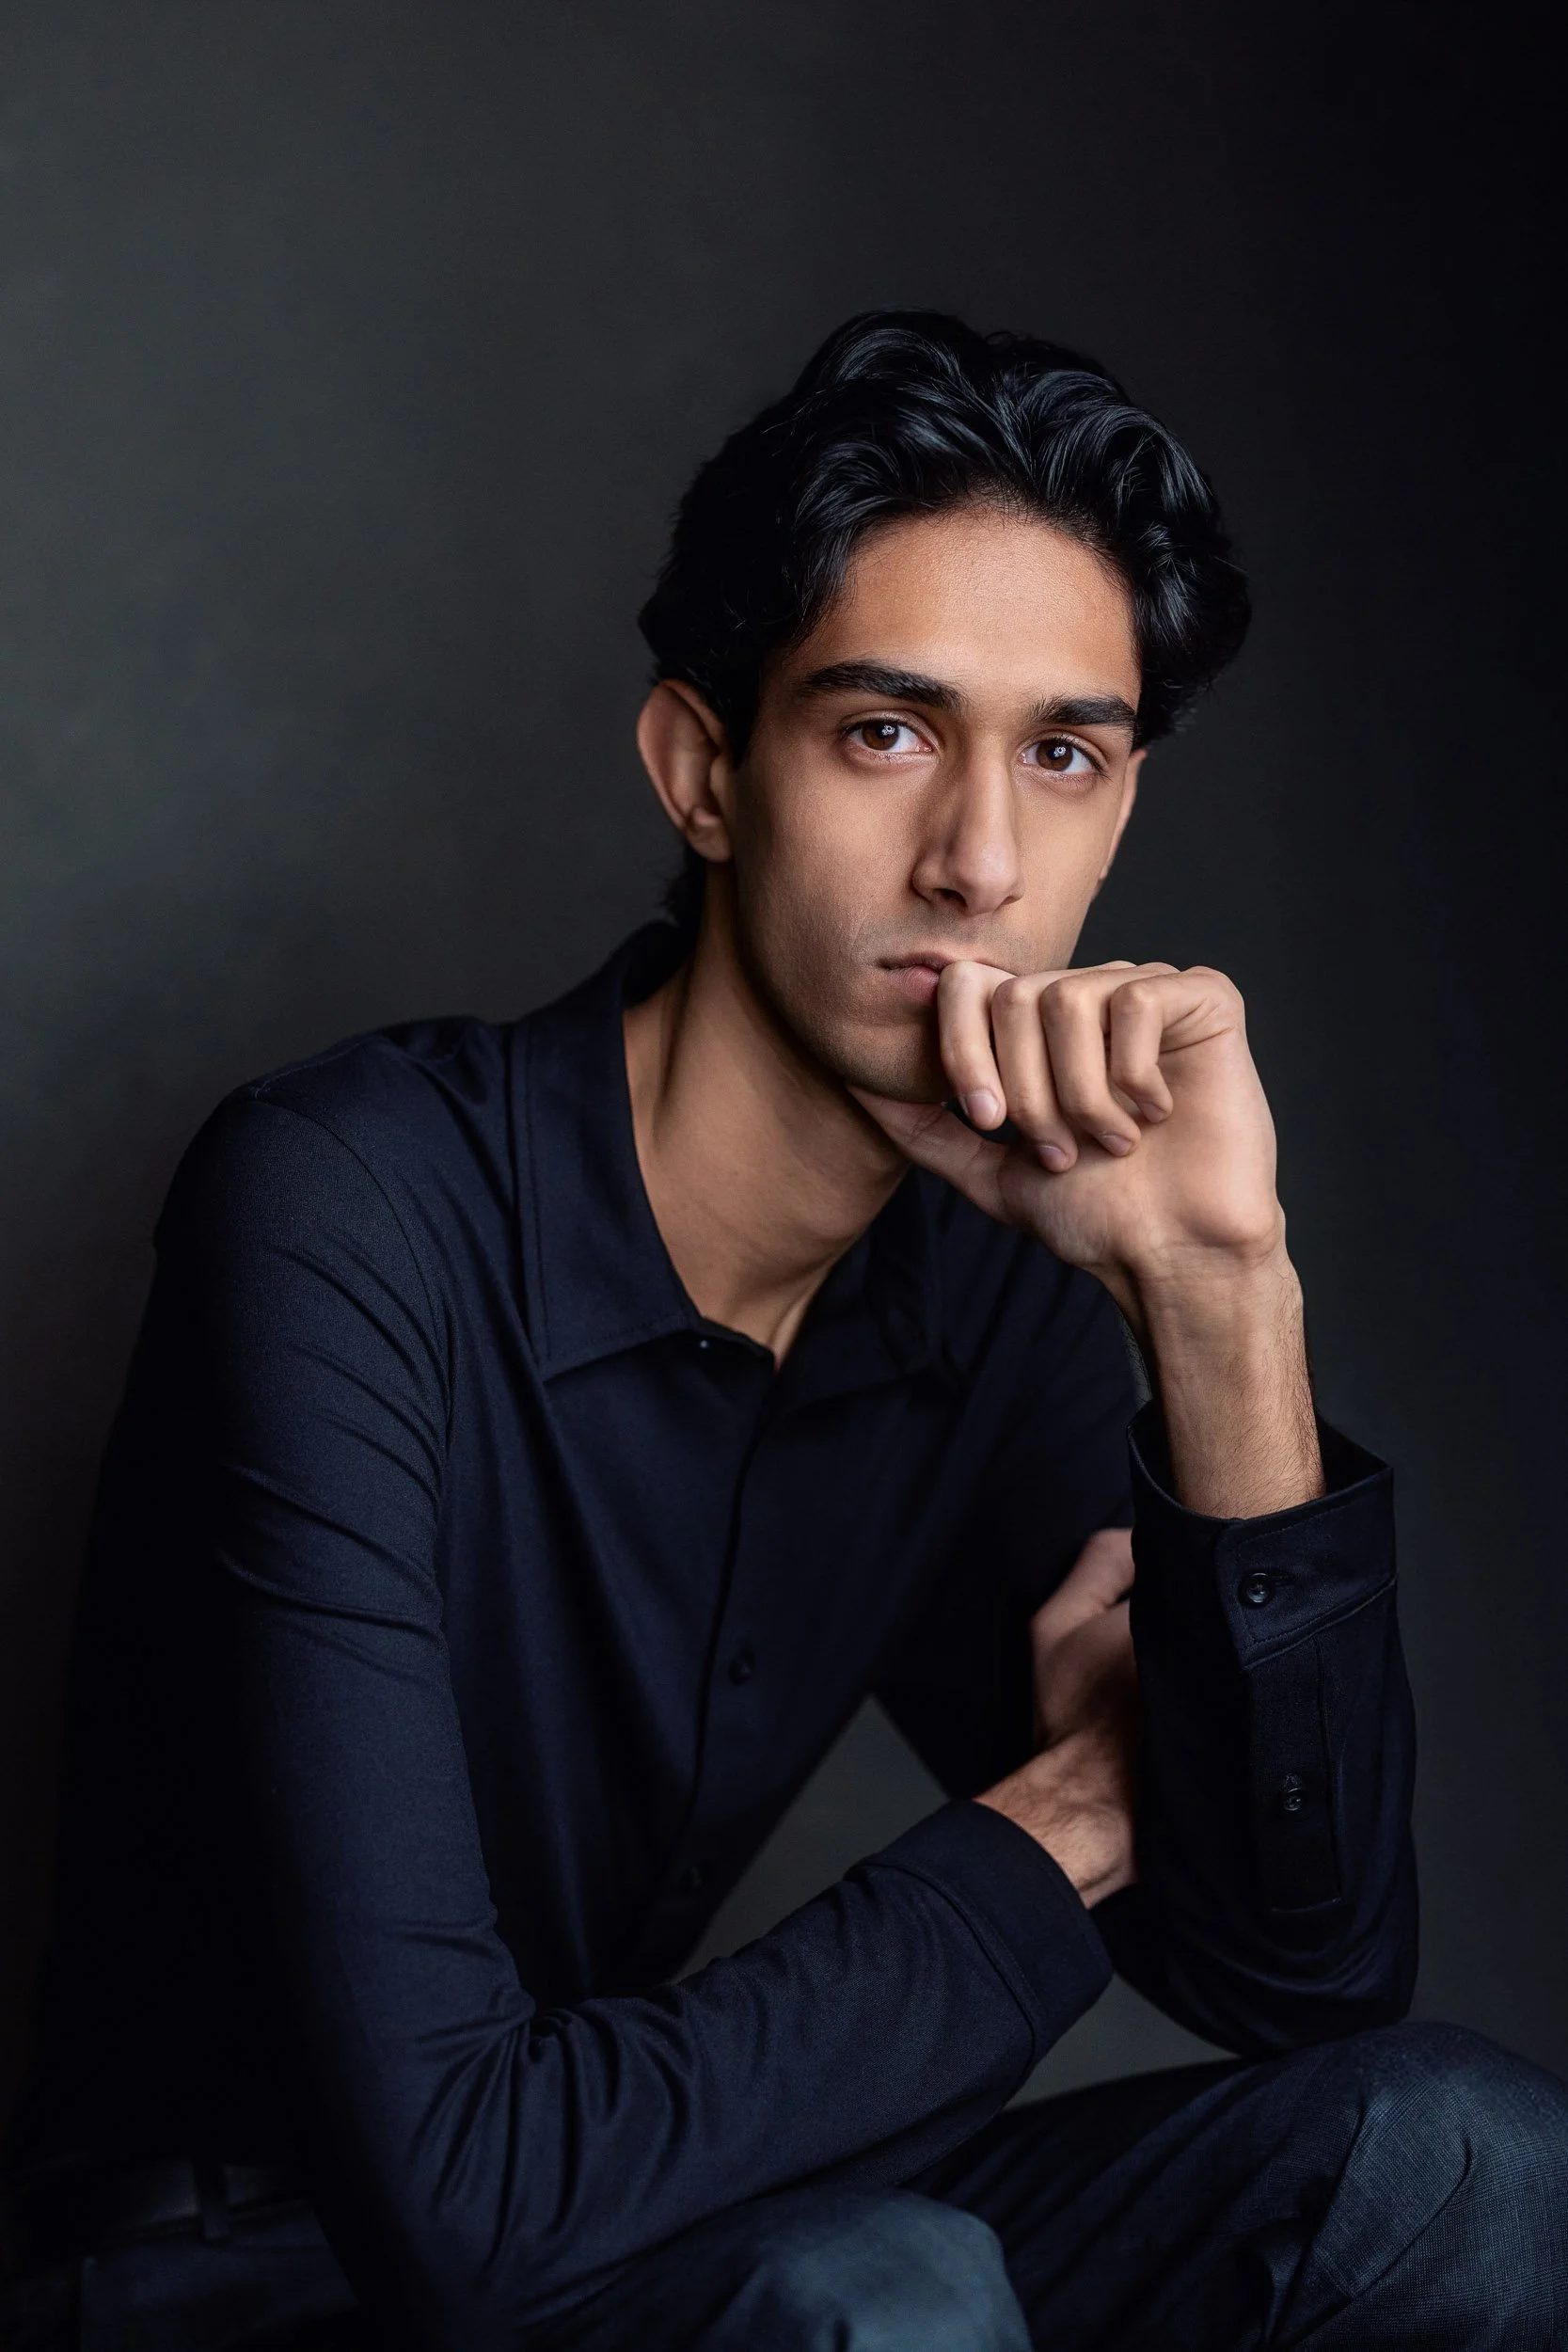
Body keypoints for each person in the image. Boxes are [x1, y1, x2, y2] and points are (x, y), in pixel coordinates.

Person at [4, 311, 1564, 2352]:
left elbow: (1299, 1986)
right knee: (874, 2287)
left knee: (1454, 2164)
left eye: (1062, 753)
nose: (980, 864)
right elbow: (459, 2200)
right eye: (887, 731)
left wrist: (1221, 1300)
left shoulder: (985, 1265)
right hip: (240, 2275)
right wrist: (1075, 1812)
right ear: (703, 766)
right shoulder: (346, 1199)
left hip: (671, 2209)